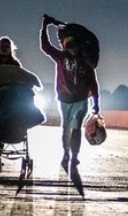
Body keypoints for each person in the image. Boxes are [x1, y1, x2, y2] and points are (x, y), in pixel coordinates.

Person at [40, 14, 100, 178]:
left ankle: (74, 156)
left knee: (75, 128)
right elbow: (45, 47)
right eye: (69, 45)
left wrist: (95, 102)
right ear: (66, 45)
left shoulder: (86, 62)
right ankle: (66, 153)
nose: (72, 48)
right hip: (64, 99)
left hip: (80, 99)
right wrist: (44, 27)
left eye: (75, 45)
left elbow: (93, 83)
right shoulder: (61, 57)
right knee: (66, 128)